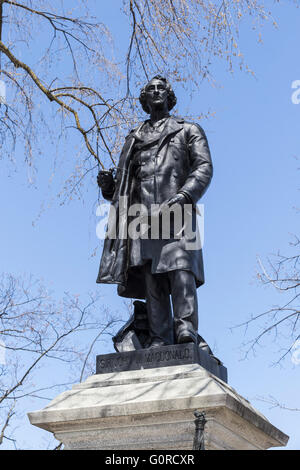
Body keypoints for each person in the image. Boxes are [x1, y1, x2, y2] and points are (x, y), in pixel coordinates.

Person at [97, 75, 213, 348]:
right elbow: (126, 187)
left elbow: (203, 167)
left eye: (162, 88)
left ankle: (186, 330)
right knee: (153, 279)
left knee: (181, 272)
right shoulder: (134, 138)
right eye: (151, 89)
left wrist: (185, 195)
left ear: (170, 97)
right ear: (145, 99)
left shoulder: (188, 130)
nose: (157, 91)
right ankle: (159, 338)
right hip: (142, 217)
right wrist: (108, 187)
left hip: (179, 213)